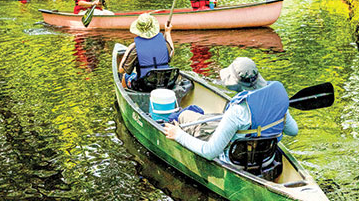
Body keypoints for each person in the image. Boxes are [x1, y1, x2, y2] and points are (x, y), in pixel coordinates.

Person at [162, 56, 297, 180]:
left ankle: (177, 119)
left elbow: (209, 152)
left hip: (237, 163)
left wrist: (178, 134)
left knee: (185, 116)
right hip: (267, 159)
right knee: (212, 119)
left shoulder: (238, 111)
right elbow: (293, 130)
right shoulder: (278, 97)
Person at [118, 12, 176, 92]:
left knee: (125, 76)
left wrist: (128, 51)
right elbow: (171, 52)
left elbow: (122, 70)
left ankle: (129, 96)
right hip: (165, 83)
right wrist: (167, 32)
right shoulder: (164, 44)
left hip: (144, 86)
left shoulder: (135, 48)